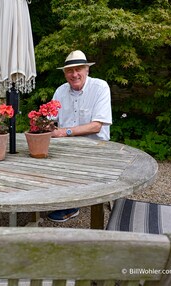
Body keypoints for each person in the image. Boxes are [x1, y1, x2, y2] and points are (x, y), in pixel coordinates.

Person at [48, 50, 112, 223]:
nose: (74, 74)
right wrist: (45, 125)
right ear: (65, 73)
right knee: (39, 156)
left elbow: (97, 126)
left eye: (79, 69)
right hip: (65, 146)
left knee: (68, 165)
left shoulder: (100, 87)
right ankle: (51, 197)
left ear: (87, 70)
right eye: (70, 70)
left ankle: (71, 204)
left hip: (95, 147)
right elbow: (51, 120)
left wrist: (64, 131)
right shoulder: (60, 91)